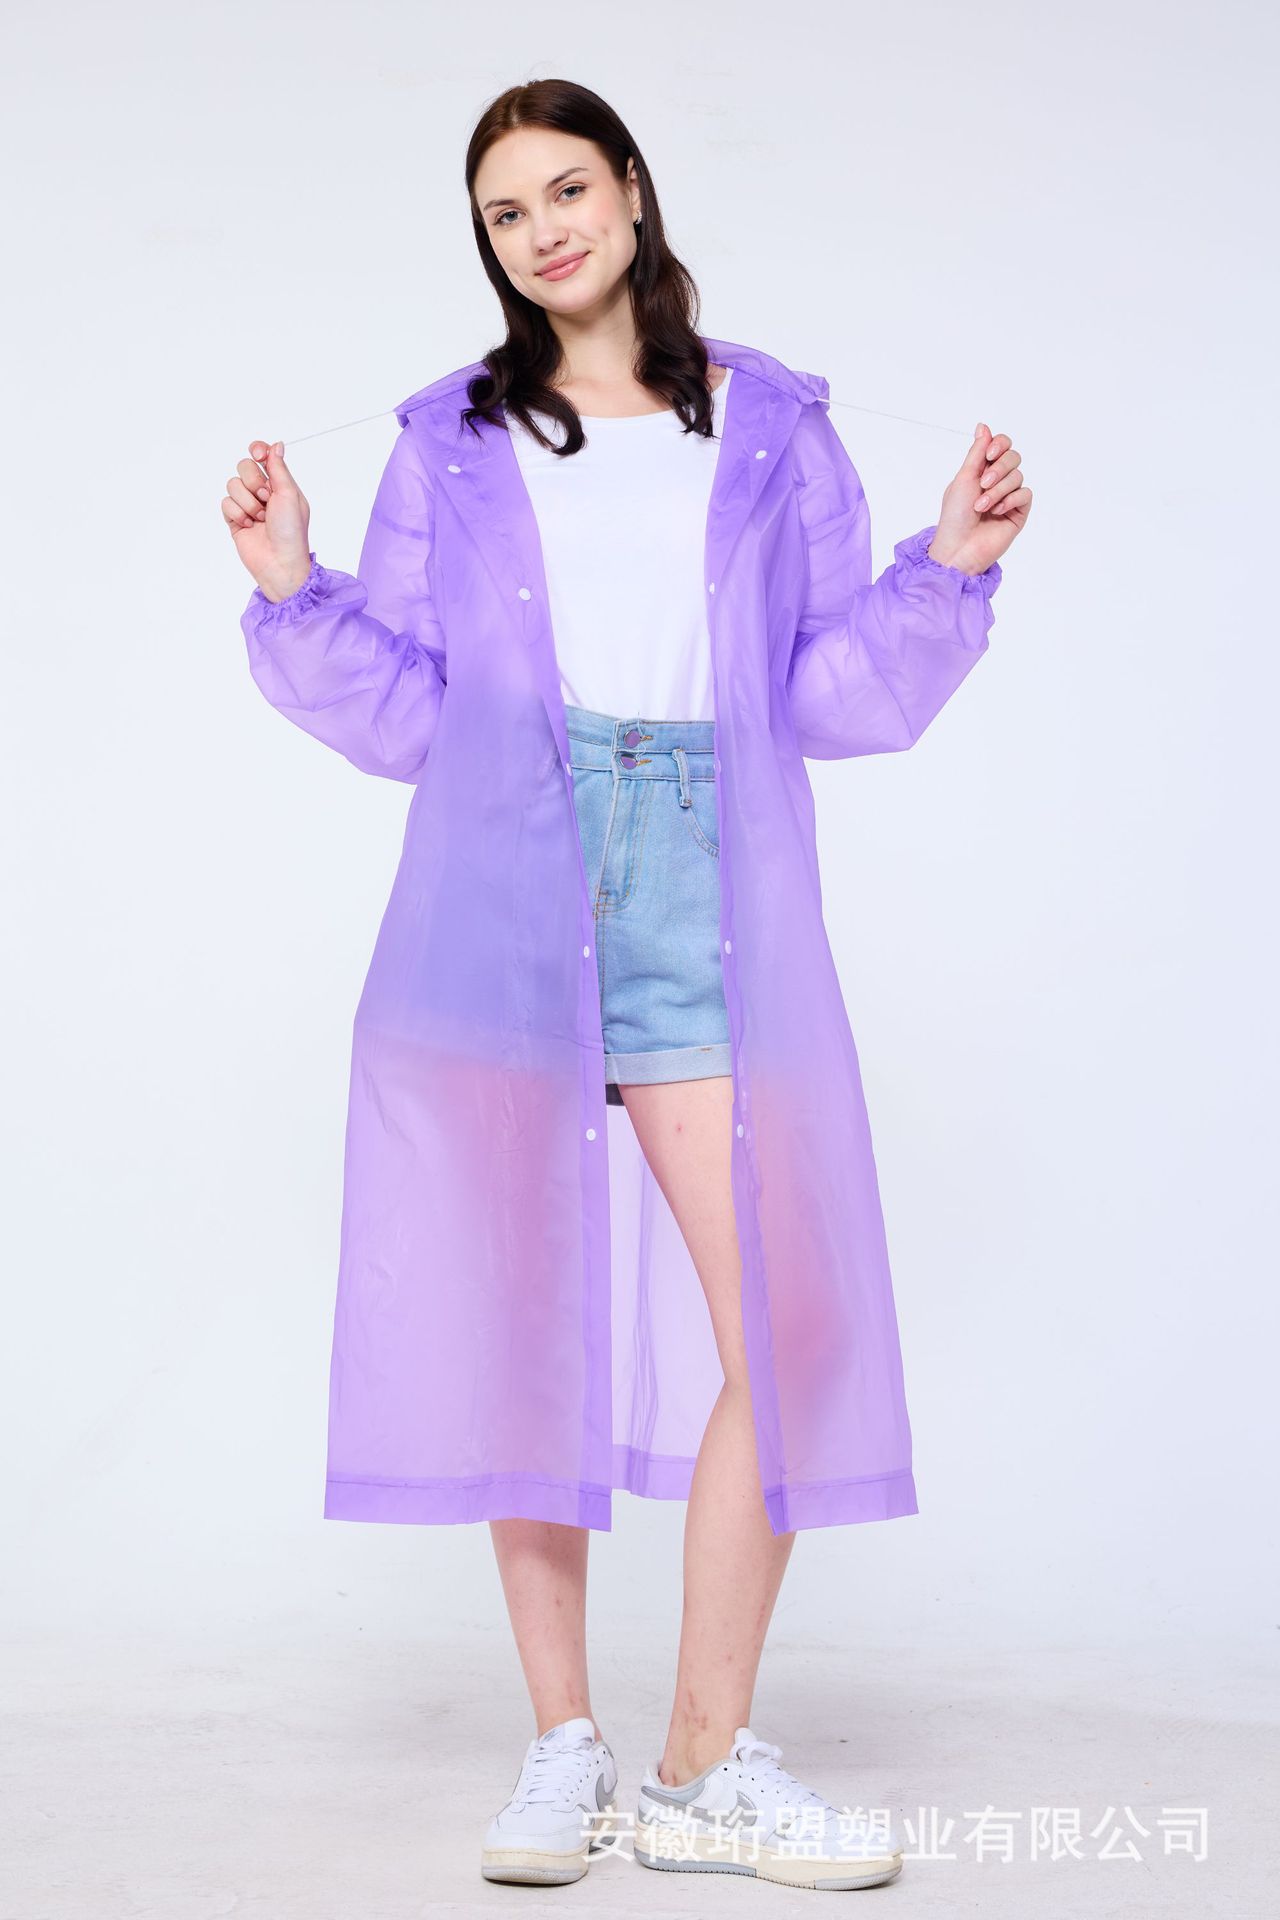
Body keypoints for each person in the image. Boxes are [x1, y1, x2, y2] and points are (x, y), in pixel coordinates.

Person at [222, 78, 1028, 1896]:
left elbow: (818, 688)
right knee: (530, 1332)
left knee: (789, 1330)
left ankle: (700, 1764)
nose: (543, 232)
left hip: (700, 880)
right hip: (501, 884)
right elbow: (419, 717)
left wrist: (950, 574)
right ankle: (564, 1746)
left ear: (636, 191)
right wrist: (293, 590)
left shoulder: (770, 423)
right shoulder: (451, 441)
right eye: (506, 213)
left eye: (567, 189)